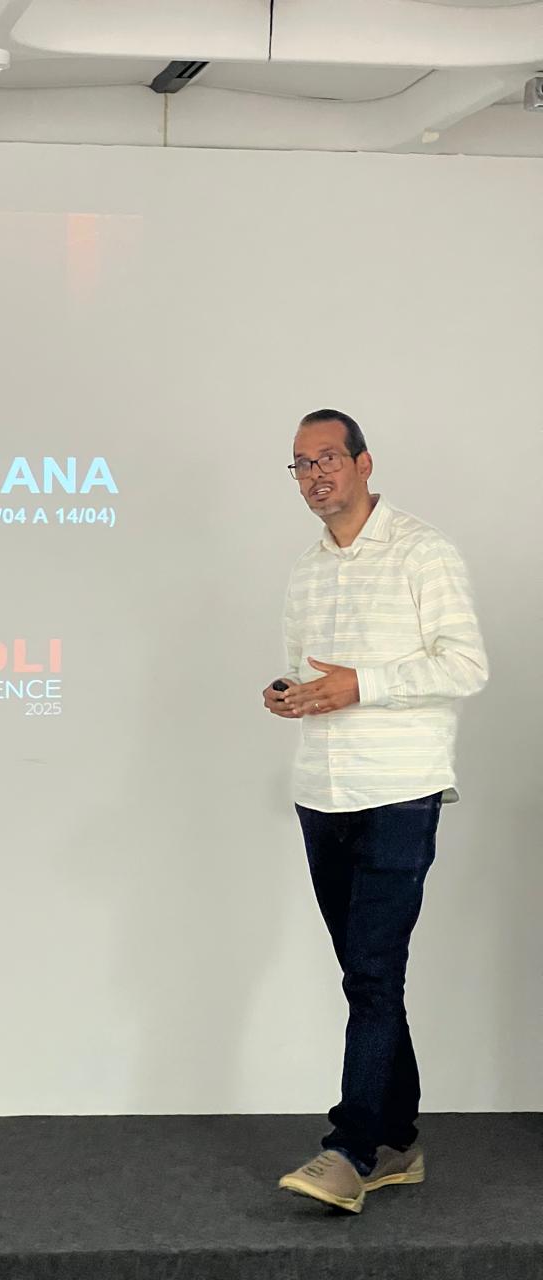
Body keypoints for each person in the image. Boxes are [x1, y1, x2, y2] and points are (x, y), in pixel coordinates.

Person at [263, 409, 488, 1215]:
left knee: (372, 972)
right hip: (321, 793)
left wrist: (362, 684)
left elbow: (466, 665)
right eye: (301, 464)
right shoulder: (306, 570)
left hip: (398, 790)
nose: (315, 474)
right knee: (368, 975)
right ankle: (398, 1142)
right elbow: (310, 675)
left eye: (328, 457)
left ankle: (349, 1150)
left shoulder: (424, 552)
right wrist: (293, 695)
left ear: (363, 463)